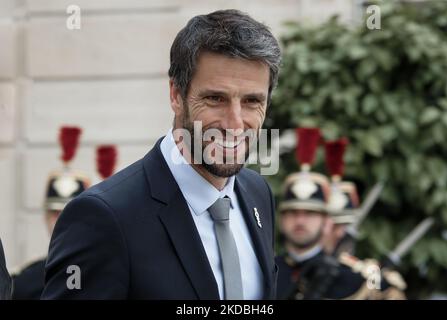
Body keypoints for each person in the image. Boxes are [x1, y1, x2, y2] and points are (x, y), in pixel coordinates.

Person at [42, 9, 281, 300]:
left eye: (252, 101)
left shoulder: (258, 193)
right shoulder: (102, 217)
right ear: (175, 95)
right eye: (215, 99)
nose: (234, 123)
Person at [276, 128, 406, 300]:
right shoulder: (263, 270)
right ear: (281, 219)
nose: (300, 220)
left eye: (310, 213)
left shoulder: (356, 278)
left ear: (326, 221)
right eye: (293, 213)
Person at [12, 127, 90, 299]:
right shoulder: (25, 280)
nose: (61, 221)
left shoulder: (105, 271)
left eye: (69, 212)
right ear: (45, 216)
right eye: (55, 213)